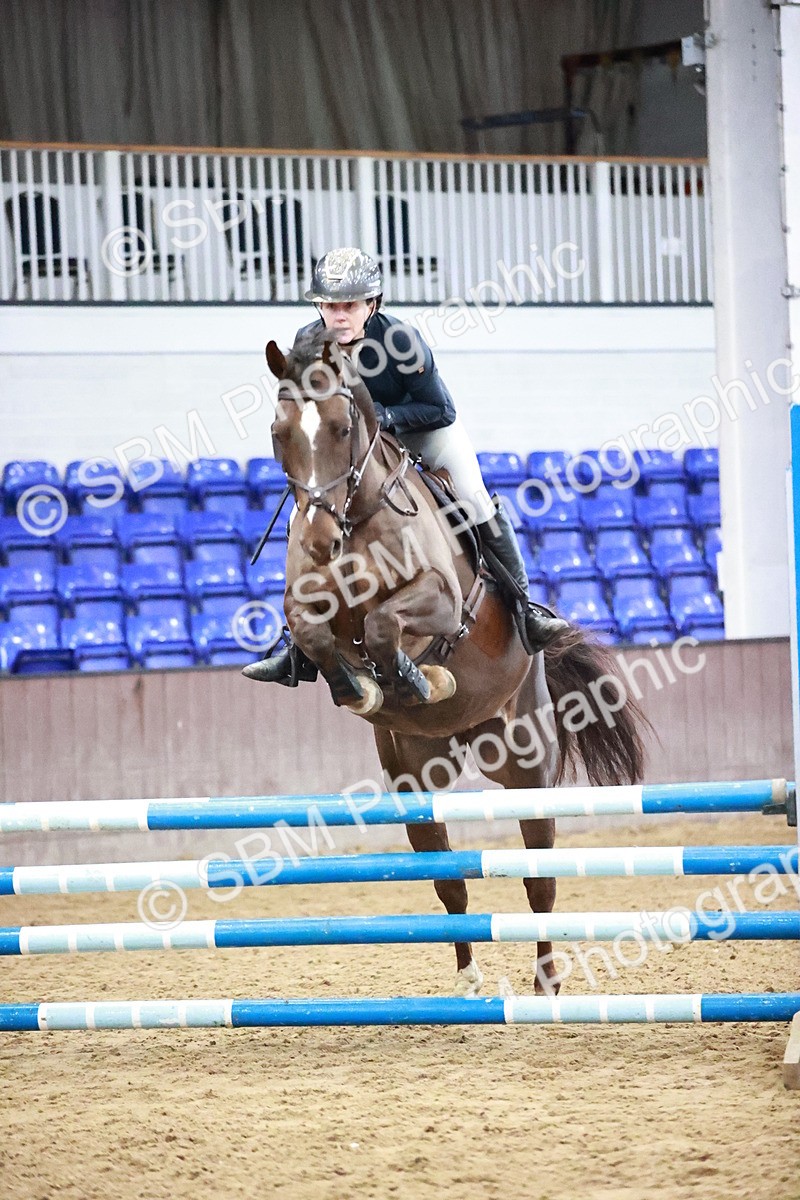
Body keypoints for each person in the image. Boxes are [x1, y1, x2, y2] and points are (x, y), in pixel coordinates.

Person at [243, 247, 568, 685]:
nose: (338, 316)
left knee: (473, 498)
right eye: (329, 306)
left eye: (349, 306)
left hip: (422, 429)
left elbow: (440, 408)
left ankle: (524, 609)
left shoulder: (399, 341)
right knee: (308, 515)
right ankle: (296, 645)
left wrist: (381, 418)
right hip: (352, 447)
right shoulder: (306, 343)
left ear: (371, 305)